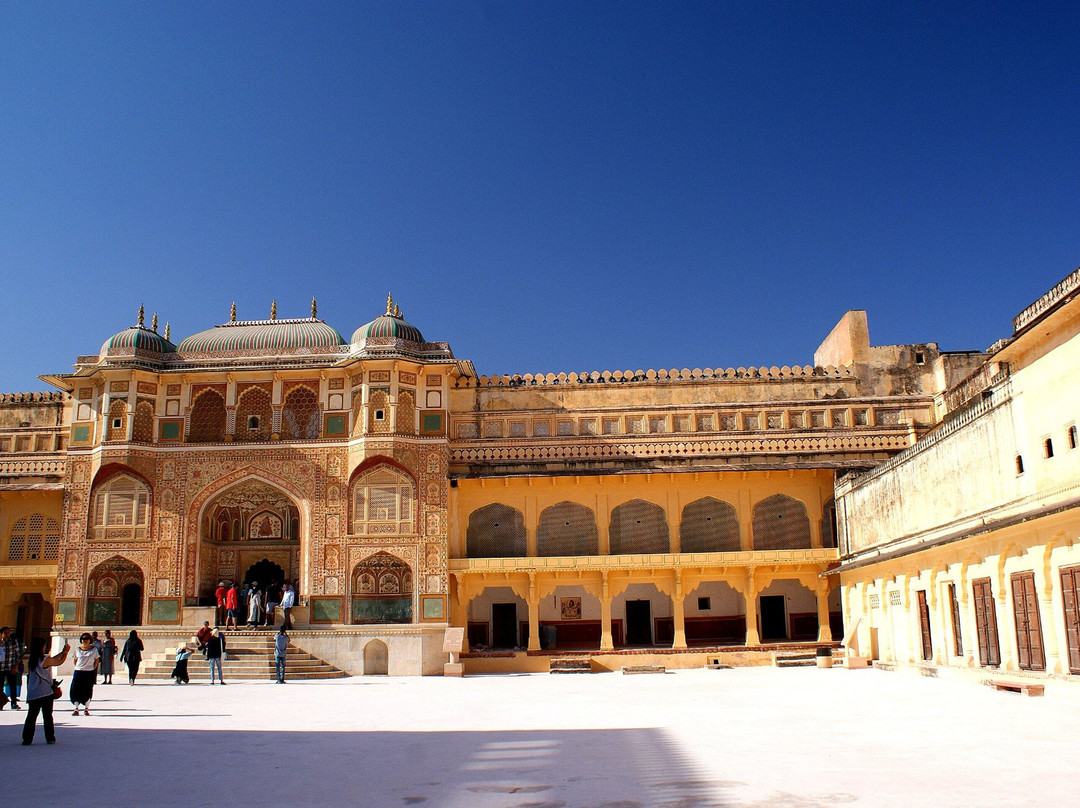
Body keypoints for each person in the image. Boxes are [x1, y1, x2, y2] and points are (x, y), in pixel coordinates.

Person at [22, 636, 69, 745]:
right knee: (47, 716)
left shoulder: (33, 659)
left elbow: (53, 659)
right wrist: (66, 652)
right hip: (45, 692)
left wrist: (62, 652)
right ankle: (50, 738)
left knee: (31, 716)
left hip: (33, 693)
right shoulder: (45, 659)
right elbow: (59, 662)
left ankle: (27, 739)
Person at [70, 632, 99, 715]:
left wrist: (92, 668)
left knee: (87, 690)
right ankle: (76, 708)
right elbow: (75, 660)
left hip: (89, 672)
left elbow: (96, 660)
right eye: (83, 639)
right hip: (78, 672)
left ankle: (86, 708)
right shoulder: (77, 649)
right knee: (75, 690)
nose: (85, 640)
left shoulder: (94, 650)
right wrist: (80, 667)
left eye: (86, 639)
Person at [1, 625, 25, 710]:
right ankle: (1, 703)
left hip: (11, 667)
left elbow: (19, 655)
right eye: (5, 633)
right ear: (2, 634)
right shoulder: (0, 643)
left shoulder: (13, 643)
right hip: (1, 668)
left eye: (8, 632)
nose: (7, 634)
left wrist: (16, 666)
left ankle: (13, 703)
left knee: (13, 687)